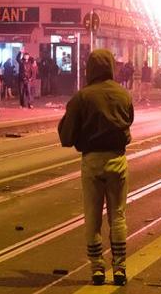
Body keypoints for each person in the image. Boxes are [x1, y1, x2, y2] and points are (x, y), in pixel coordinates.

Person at [57, 49, 134, 286]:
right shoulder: (123, 94)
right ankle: (119, 267)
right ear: (111, 66)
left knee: (92, 217)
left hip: (92, 161)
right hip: (117, 161)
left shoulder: (82, 97)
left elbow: (67, 136)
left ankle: (97, 269)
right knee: (118, 216)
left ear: (90, 69)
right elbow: (128, 122)